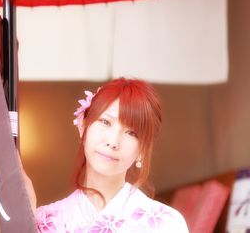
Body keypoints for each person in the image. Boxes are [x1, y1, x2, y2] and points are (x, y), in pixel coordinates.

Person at [23, 77, 189, 232]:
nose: (113, 141)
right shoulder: (44, 222)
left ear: (142, 151)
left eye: (131, 133)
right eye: (105, 122)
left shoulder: (167, 224)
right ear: (83, 126)